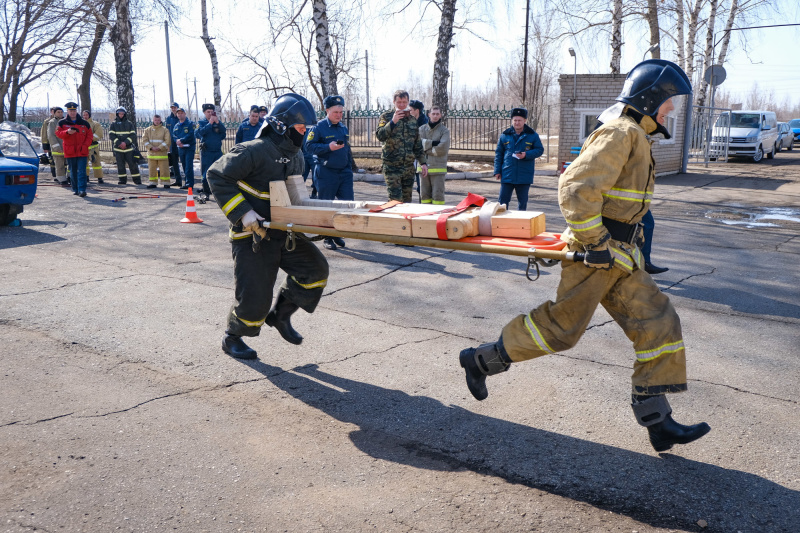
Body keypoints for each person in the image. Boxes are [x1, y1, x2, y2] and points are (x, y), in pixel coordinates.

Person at [459, 59, 711, 454]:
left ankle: (658, 422)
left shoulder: (637, 136)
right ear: (651, 99)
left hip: (620, 256)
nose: (673, 110)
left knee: (659, 321)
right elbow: (576, 189)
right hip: (596, 252)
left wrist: (616, 248)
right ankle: (480, 361)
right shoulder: (619, 133)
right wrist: (595, 245)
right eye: (669, 101)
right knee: (561, 330)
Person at [206, 93, 327, 360]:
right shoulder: (253, 151)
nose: (304, 133)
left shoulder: (297, 157)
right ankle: (233, 337)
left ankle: (280, 316)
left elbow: (294, 195)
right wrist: (243, 213)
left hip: (284, 233)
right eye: (300, 127)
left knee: (315, 270)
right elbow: (216, 175)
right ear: (282, 125)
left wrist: (314, 220)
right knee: (255, 296)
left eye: (306, 128)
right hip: (252, 235)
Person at [306, 95, 354, 250]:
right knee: (327, 206)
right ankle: (327, 236)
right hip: (326, 173)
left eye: (341, 112)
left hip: (344, 173)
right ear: (327, 110)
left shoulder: (343, 127)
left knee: (346, 204)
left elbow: (347, 149)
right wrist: (328, 148)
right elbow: (309, 147)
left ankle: (337, 233)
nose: (339, 115)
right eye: (336, 112)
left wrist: (350, 166)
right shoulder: (318, 127)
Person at [376, 89, 427, 202]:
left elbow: (417, 144)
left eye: (404, 102)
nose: (402, 105)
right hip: (392, 166)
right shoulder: (386, 117)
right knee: (395, 201)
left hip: (408, 167)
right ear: (394, 102)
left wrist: (423, 162)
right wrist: (393, 122)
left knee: (407, 201)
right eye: (399, 102)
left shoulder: (412, 120)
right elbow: (380, 135)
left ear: (408, 102)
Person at [493, 107, 544, 211]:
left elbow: (539, 150)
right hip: (507, 174)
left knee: (522, 203)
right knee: (502, 202)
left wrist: (526, 154)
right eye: (515, 120)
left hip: (524, 175)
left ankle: (521, 225)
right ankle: (502, 224)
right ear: (512, 120)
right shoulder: (505, 135)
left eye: (519, 120)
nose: (517, 123)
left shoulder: (532, 135)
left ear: (525, 120)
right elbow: (499, 154)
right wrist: (497, 171)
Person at [55, 102, 93, 197]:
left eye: (74, 110)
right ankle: (75, 189)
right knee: (72, 171)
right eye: (70, 111)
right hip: (70, 151)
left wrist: (85, 145)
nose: (72, 112)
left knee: (82, 171)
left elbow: (89, 136)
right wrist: (67, 132)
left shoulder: (84, 123)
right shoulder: (62, 122)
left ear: (76, 111)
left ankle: (82, 190)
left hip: (82, 151)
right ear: (67, 111)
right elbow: (58, 133)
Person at [418, 105, 451, 205]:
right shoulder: (421, 129)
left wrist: (426, 148)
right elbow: (417, 145)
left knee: (438, 197)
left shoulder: (444, 131)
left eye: (437, 114)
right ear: (429, 115)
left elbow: (442, 149)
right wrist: (433, 143)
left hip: (438, 169)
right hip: (423, 169)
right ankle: (425, 218)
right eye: (433, 114)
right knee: (424, 197)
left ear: (440, 115)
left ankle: (437, 217)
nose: (435, 116)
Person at [195, 103, 227, 201]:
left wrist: (217, 122)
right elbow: (198, 133)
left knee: (219, 172)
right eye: (208, 112)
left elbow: (223, 133)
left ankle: (218, 190)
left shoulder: (218, 122)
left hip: (217, 151)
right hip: (206, 152)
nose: (210, 114)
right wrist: (210, 124)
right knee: (205, 173)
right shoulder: (201, 122)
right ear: (204, 112)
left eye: (211, 112)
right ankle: (206, 190)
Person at [109, 107, 141, 185]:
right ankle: (122, 180)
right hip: (118, 149)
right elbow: (111, 135)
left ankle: (137, 180)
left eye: (122, 113)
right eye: (120, 113)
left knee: (133, 165)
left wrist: (125, 143)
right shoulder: (113, 124)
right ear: (117, 114)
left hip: (129, 149)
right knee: (120, 166)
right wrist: (119, 143)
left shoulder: (129, 123)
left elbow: (133, 135)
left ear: (125, 114)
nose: (121, 115)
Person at [141, 115, 172, 188]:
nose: (157, 122)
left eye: (158, 120)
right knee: (152, 169)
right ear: (153, 120)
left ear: (160, 120)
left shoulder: (165, 130)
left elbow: (168, 141)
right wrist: (151, 147)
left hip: (162, 154)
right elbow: (144, 140)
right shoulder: (147, 130)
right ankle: (153, 183)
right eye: (155, 120)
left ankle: (166, 183)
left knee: (164, 169)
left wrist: (159, 148)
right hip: (152, 154)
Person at [172, 107, 196, 190]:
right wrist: (177, 141)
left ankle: (189, 184)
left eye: (181, 113)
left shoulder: (190, 123)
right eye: (178, 113)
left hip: (189, 147)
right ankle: (186, 182)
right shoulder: (176, 125)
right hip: (181, 148)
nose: (180, 114)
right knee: (184, 165)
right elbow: (174, 135)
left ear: (185, 114)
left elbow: (191, 134)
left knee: (188, 166)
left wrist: (182, 140)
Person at [409, 100, 428, 197]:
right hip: (411, 157)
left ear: (417, 110)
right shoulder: (410, 121)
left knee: (421, 187)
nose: (409, 111)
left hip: (421, 158)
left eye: (411, 110)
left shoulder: (425, 123)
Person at [47, 107, 68, 186]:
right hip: (58, 148)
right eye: (58, 112)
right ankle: (61, 179)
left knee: (68, 164)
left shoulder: (65, 121)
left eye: (61, 112)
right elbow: (51, 135)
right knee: (59, 165)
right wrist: (56, 147)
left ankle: (69, 177)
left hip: (66, 147)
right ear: (54, 113)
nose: (60, 113)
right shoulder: (52, 122)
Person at [82, 110, 104, 184]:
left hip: (93, 147)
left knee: (96, 163)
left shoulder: (95, 124)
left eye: (86, 115)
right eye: (84, 115)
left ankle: (99, 177)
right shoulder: (80, 124)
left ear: (89, 115)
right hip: (84, 147)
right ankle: (86, 177)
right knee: (84, 163)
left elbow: (99, 133)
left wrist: (90, 139)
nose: (85, 116)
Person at [165, 103, 182, 186]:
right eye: (172, 108)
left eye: (175, 107)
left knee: (184, 162)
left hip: (181, 143)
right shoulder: (168, 119)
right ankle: (178, 180)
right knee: (174, 163)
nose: (173, 109)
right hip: (172, 144)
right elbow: (167, 131)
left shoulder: (180, 117)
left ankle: (188, 181)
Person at [40, 108, 57, 179]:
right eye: (53, 111)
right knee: (52, 160)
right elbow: (44, 133)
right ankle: (54, 174)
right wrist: (45, 145)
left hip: (60, 143)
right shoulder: (47, 121)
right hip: (50, 143)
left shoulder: (62, 120)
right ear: (51, 112)